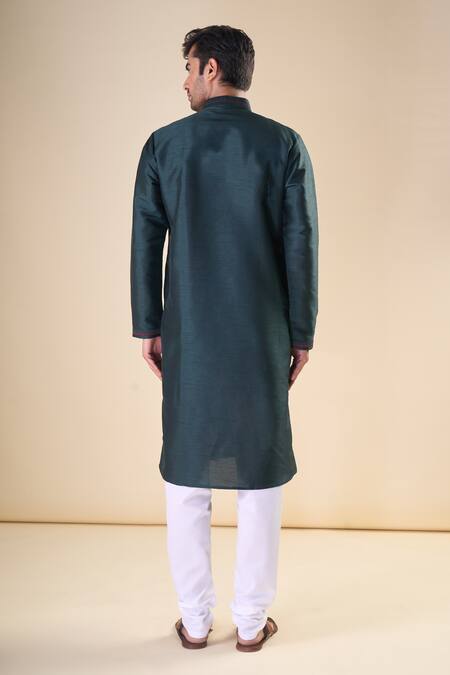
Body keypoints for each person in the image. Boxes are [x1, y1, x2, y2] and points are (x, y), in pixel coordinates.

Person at [130, 24, 319, 651]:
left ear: (211, 68)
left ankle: (193, 621)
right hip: (261, 331)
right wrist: (300, 332)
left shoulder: (164, 145)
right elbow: (301, 243)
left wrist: (149, 325)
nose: (185, 81)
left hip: (187, 330)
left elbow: (145, 239)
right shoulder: (283, 145)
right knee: (259, 473)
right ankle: (250, 623)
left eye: (188, 68)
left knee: (188, 470)